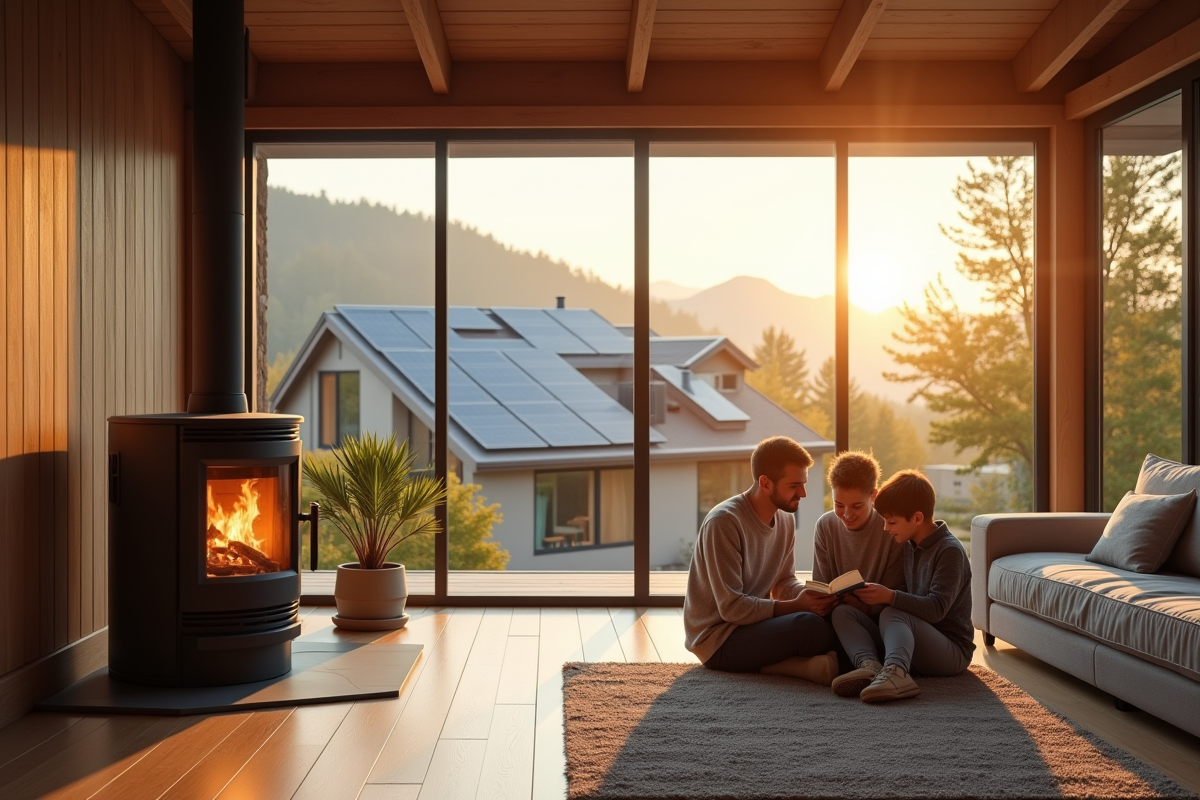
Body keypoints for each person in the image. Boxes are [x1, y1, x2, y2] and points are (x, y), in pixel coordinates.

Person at [684, 436, 840, 685]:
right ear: (765, 483)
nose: (803, 493)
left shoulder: (785, 519)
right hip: (719, 638)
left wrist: (815, 597)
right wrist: (798, 607)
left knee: (835, 616)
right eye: (794, 486)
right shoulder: (724, 523)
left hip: (755, 624)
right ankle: (797, 666)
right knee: (810, 627)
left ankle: (803, 666)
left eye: (804, 484)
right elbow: (732, 608)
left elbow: (783, 583)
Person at [829, 469, 974, 702]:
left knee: (893, 611)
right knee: (843, 613)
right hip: (914, 640)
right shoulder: (909, 545)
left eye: (892, 521)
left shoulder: (950, 551)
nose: (886, 528)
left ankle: (897, 673)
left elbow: (936, 610)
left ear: (917, 518)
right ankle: (870, 666)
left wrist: (888, 596)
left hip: (951, 652)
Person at [813, 451, 906, 621]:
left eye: (856, 506)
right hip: (833, 616)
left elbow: (896, 594)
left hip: (881, 620)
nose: (847, 515)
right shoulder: (826, 525)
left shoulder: (892, 528)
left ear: (873, 496)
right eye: (839, 505)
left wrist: (866, 608)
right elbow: (821, 585)